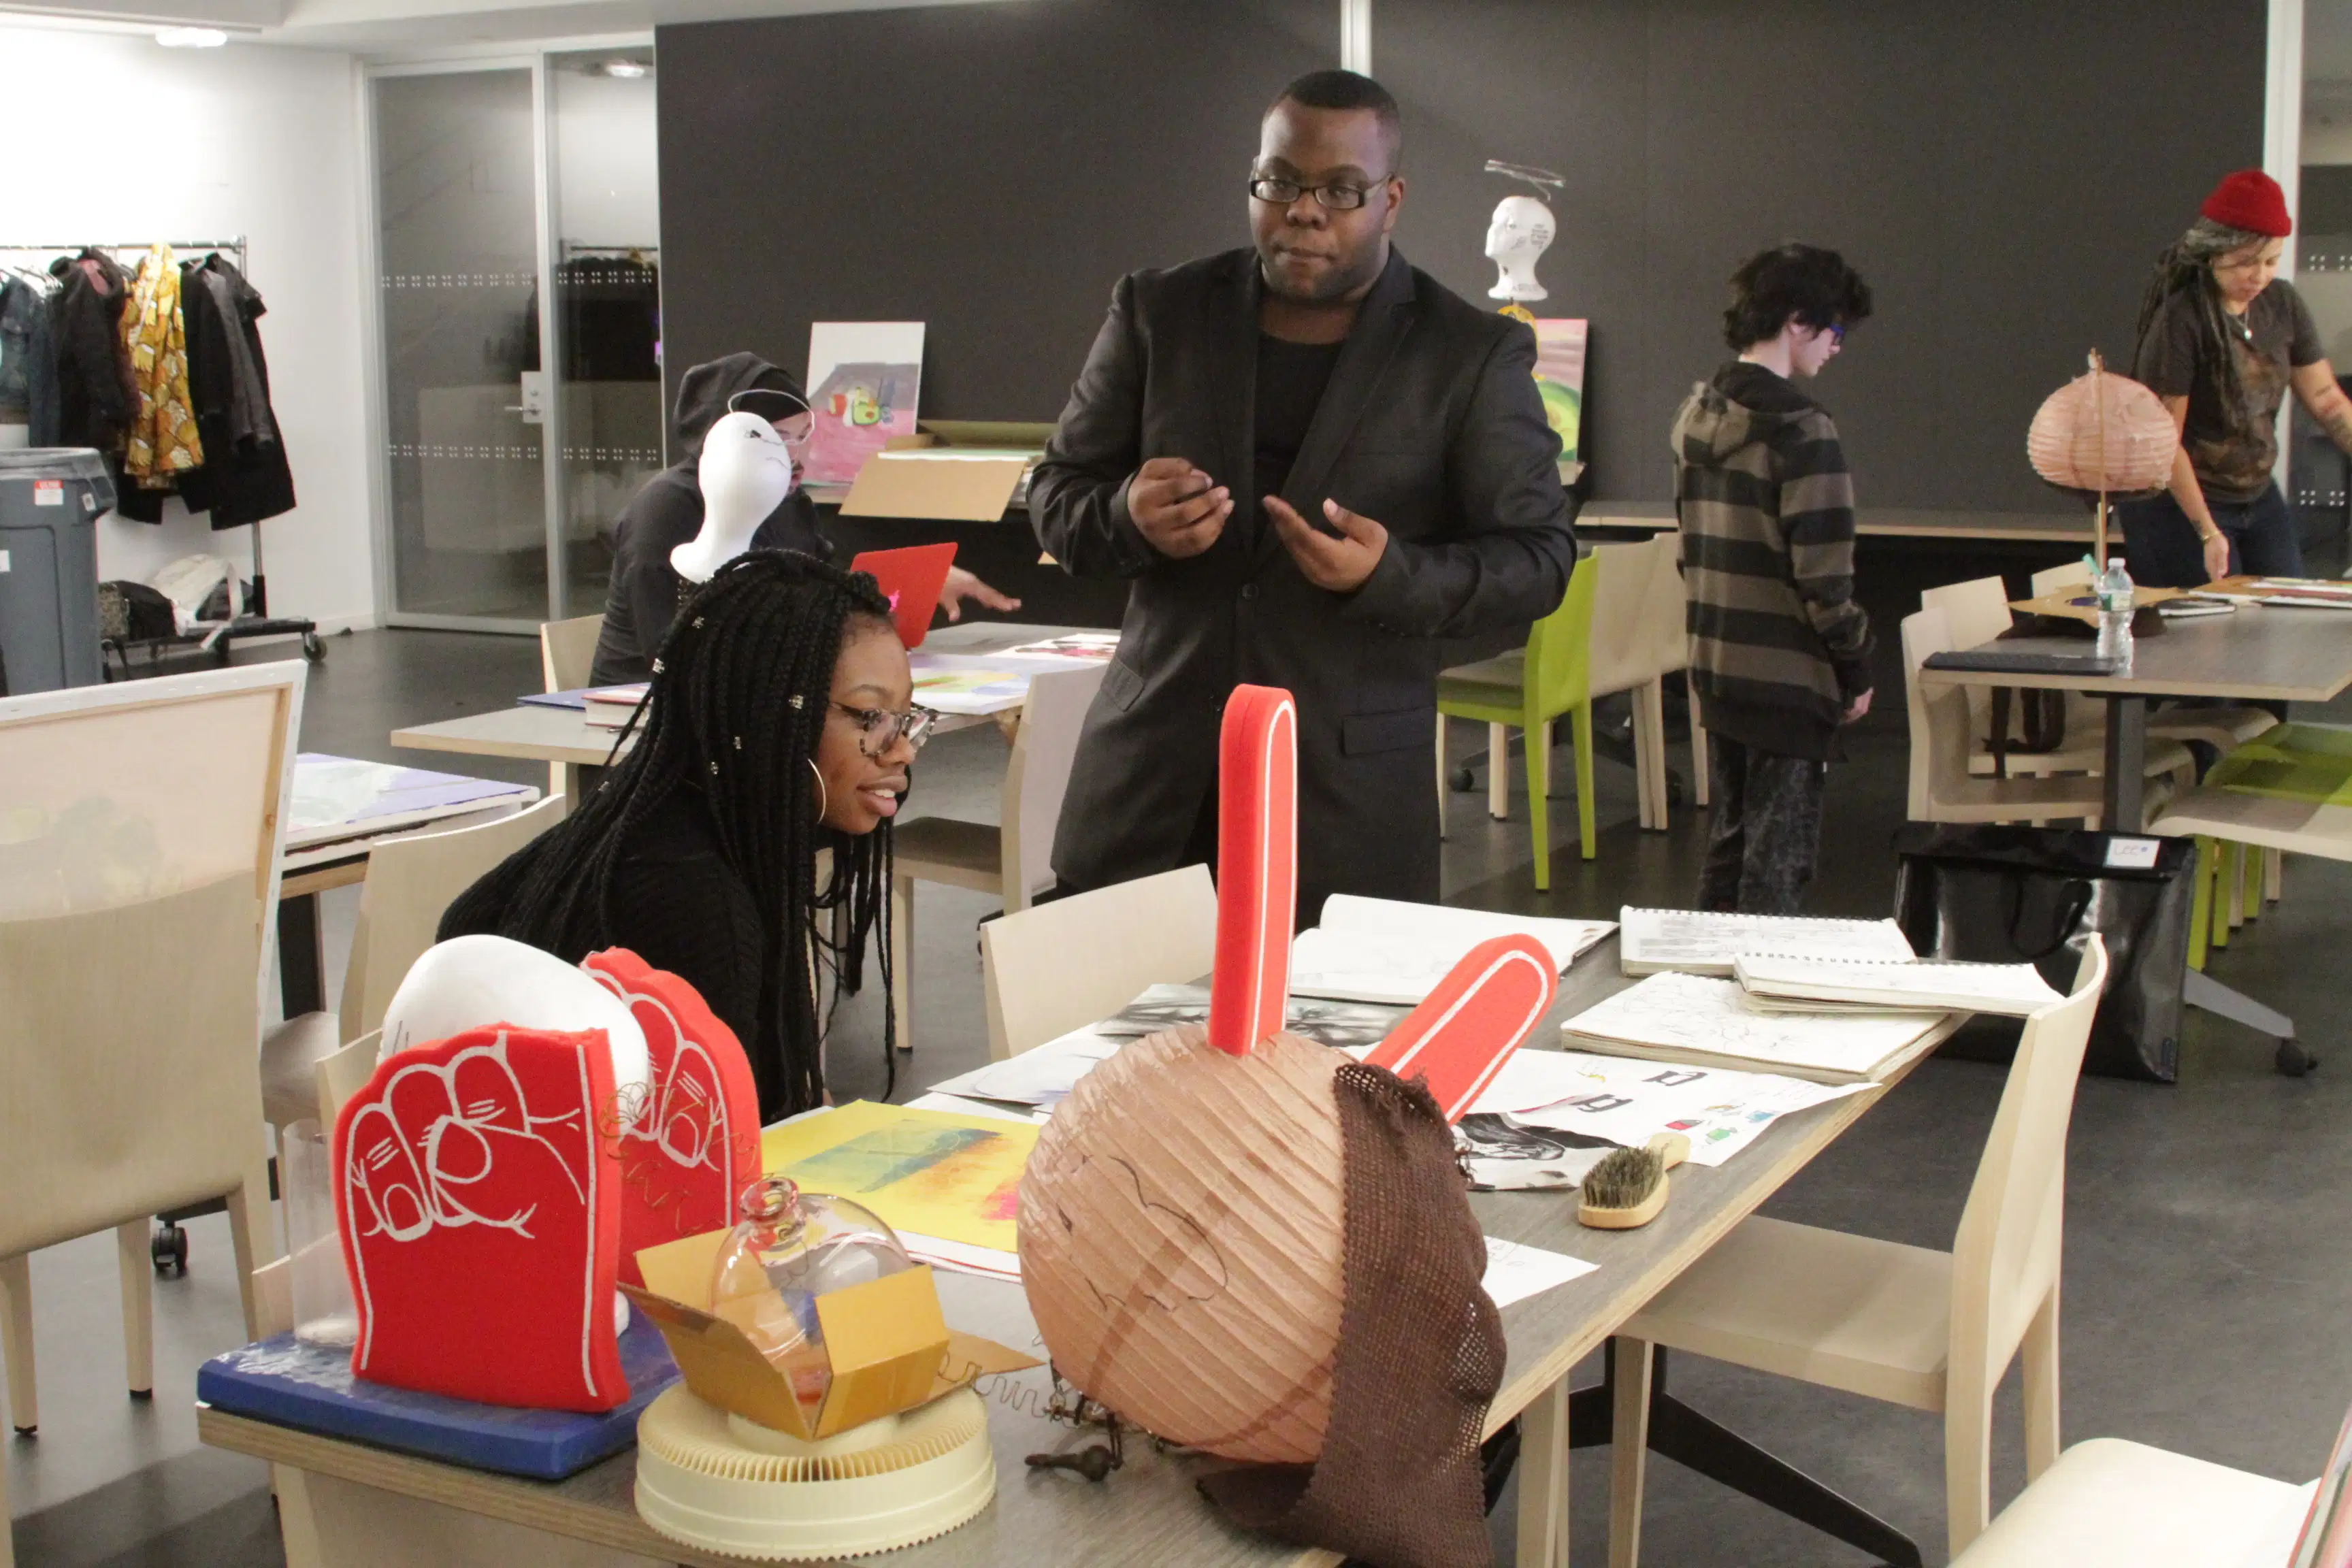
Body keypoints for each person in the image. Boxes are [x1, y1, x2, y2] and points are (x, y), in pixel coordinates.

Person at [1030, 69, 1580, 921]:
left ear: (1390, 199)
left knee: (1324, 1060)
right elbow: (1058, 493)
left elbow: (1538, 560)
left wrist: (1388, 575)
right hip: (1146, 794)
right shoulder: (1158, 311)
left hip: (1343, 809)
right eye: (1280, 182)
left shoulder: (1467, 352)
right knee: (1110, 1057)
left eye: (1340, 189)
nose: (1304, 209)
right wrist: (1124, 513)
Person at [444, 551, 928, 1120]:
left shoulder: (690, 820)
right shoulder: (696, 904)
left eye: (907, 716)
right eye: (871, 717)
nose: (904, 747)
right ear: (771, 715)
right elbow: (726, 1165)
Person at [589, 351, 1018, 685]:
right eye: (775, 438)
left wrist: (905, 587)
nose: (793, 457)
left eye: (801, 436)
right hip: (642, 720)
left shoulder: (788, 502)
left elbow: (821, 591)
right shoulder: (667, 507)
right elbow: (669, 651)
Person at [1672, 243, 1875, 915]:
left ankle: (1692, 1003)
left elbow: (1690, 555)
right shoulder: (1803, 432)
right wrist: (1857, 670)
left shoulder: (1700, 418)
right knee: (1777, 870)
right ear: (1798, 320)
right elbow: (1825, 585)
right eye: (1834, 329)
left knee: (1727, 850)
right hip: (1788, 681)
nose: (1837, 348)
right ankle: (1755, 1013)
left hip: (1719, 668)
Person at [2121, 169, 2352, 586]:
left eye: (2270, 261)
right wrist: (2208, 531)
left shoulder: (2282, 304)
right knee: (2215, 629)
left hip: (2257, 495)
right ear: (2214, 253)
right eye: (2246, 262)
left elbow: (2326, 399)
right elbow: (2164, 442)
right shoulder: (2182, 319)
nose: (2259, 276)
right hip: (2180, 501)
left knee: (2287, 609)